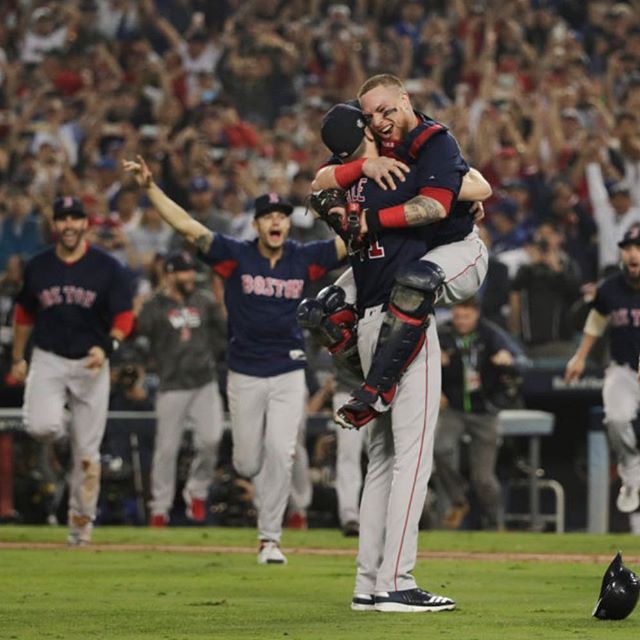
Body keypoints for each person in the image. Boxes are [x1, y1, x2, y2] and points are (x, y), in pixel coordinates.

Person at [301, 101, 488, 613]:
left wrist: (355, 167)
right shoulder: (396, 173)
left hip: (365, 320)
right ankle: (397, 582)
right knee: (412, 458)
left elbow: (318, 185)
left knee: (381, 460)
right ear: (365, 130)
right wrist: (460, 199)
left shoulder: (344, 188)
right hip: (401, 323)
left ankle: (367, 584)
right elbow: (474, 187)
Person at [123, 155, 346, 564]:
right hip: (244, 371)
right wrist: (151, 187)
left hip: (289, 368)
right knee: (246, 461)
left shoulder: (305, 257)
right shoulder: (236, 255)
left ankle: (270, 539)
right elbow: (187, 227)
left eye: (281, 215)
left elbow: (354, 238)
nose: (275, 222)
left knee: (283, 450)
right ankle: (261, 504)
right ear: (256, 224)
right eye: (267, 217)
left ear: (287, 222)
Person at [312, 89, 491, 429]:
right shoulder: (359, 152)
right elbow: (319, 183)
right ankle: (367, 369)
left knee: (413, 285)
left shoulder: (422, 143)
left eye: (383, 114)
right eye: (371, 117)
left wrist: (450, 194)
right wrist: (365, 165)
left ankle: (379, 384)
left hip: (442, 246)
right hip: (391, 251)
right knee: (322, 312)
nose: (378, 123)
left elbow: (480, 187)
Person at [10, 196, 134, 545]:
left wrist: (108, 346)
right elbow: (24, 314)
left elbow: (124, 315)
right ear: (55, 225)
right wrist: (18, 356)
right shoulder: (38, 266)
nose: (68, 225)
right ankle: (63, 431)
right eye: (62, 219)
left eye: (74, 219)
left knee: (87, 457)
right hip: (48, 357)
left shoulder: (106, 267)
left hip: (91, 362)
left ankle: (81, 528)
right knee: (40, 425)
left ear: (85, 225)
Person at [136, 250, 226, 526]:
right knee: (166, 449)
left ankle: (197, 491)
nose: (190, 277)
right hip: (171, 384)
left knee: (211, 440)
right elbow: (140, 336)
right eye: (184, 272)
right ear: (170, 274)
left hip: (204, 382)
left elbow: (222, 333)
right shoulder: (155, 305)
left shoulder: (204, 300)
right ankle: (160, 509)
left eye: (191, 272)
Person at [565, 223, 640, 514]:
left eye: (638, 248)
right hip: (623, 368)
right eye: (629, 249)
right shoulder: (611, 287)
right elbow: (596, 321)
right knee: (618, 419)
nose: (633, 254)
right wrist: (580, 356)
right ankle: (632, 472)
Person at [434, 298, 523, 530]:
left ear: (476, 314)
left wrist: (507, 360)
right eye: (457, 316)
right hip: (453, 408)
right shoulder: (441, 335)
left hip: (485, 411)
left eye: (466, 316)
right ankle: (459, 499)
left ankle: (496, 524)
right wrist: (434, 367)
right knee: (440, 448)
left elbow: (520, 362)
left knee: (483, 478)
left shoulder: (491, 335)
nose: (461, 321)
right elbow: (416, 364)